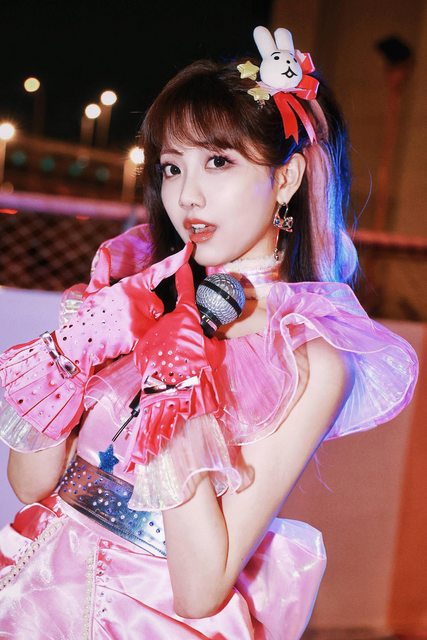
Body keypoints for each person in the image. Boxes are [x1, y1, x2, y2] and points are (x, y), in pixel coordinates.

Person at [0, 25, 418, 640]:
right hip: (35, 585)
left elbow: (201, 589)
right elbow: (32, 484)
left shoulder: (312, 359)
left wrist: (175, 398)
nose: (187, 196)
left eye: (218, 162)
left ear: (286, 179)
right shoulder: (136, 290)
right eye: (172, 167)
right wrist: (76, 348)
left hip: (144, 619)